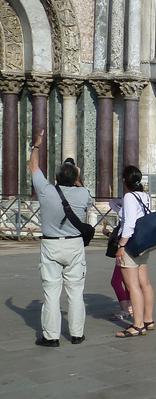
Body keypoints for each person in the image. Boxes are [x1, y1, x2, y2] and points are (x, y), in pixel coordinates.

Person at [30, 130, 91, 347]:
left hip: (51, 245)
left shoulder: (46, 191)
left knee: (51, 293)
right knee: (75, 292)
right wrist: (77, 176)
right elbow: (81, 188)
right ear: (76, 178)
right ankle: (77, 334)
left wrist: (37, 145)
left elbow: (33, 166)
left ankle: (51, 337)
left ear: (56, 178)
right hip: (74, 245)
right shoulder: (84, 193)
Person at [115, 166, 156, 338]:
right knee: (145, 283)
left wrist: (121, 245)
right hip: (144, 242)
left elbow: (130, 224)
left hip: (131, 243)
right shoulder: (145, 195)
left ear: (125, 180)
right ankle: (148, 319)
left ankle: (138, 325)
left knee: (132, 286)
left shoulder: (129, 197)